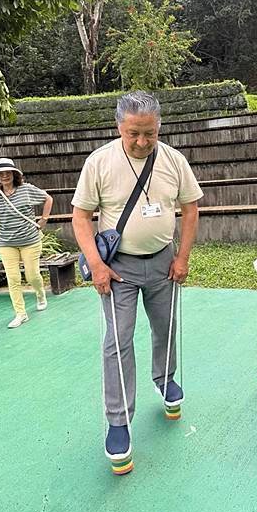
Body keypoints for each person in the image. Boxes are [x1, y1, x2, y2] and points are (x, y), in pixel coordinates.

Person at [72, 91, 203, 470]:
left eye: (150, 134)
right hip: (118, 270)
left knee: (166, 327)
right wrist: (96, 264)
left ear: (159, 127)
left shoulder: (174, 160)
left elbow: (191, 208)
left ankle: (165, 379)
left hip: (163, 262)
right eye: (134, 134)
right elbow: (80, 217)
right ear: (119, 127)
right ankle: (118, 420)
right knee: (117, 341)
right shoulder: (99, 162)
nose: (142, 142)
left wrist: (183, 257)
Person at [0, 157, 53, 328]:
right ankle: (20, 313)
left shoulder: (26, 190)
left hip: (30, 241)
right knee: (13, 278)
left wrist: (44, 219)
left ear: (14, 173)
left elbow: (48, 199)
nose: (4, 176)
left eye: (7, 172)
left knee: (32, 275)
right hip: (6, 243)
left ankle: (40, 294)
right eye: (0, 173)